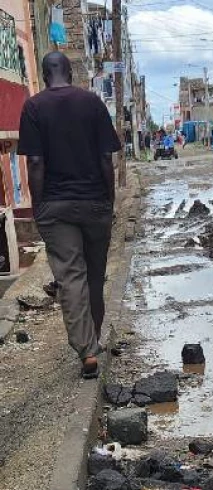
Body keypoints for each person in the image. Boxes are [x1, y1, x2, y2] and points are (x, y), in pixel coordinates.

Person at [17, 51, 121, 379]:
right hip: (94, 204)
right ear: (70, 73)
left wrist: (39, 205)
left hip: (56, 208)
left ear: (45, 76)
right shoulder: (91, 103)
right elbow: (107, 159)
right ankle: (94, 340)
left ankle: (87, 350)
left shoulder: (33, 107)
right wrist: (109, 200)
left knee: (70, 277)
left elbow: (35, 163)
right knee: (94, 275)